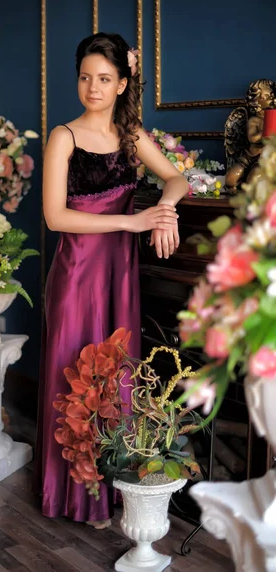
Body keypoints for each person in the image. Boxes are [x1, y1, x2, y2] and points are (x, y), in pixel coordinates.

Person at [34, 32, 189, 529]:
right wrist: (134, 222)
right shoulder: (65, 136)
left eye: (104, 79)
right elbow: (56, 218)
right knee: (72, 373)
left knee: (116, 376)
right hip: (78, 274)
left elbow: (178, 178)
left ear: (123, 83)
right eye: (85, 78)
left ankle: (110, 492)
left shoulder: (132, 135)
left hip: (118, 274)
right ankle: (74, 497)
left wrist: (166, 211)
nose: (93, 88)